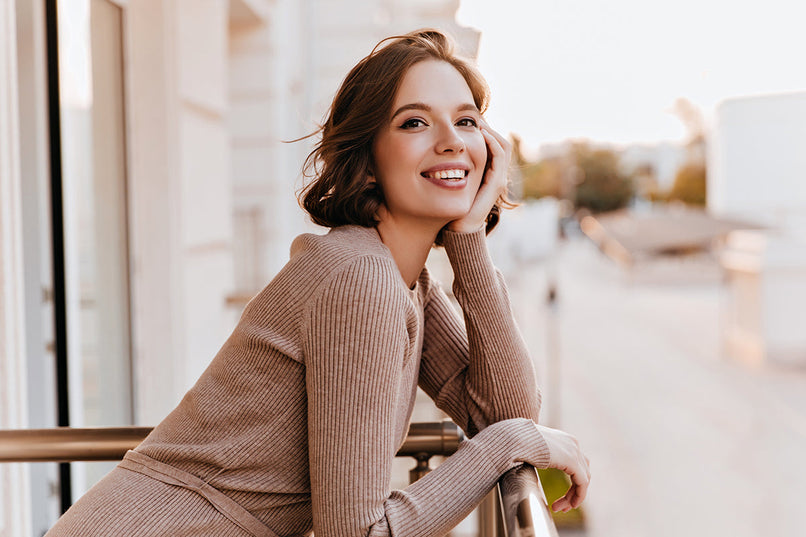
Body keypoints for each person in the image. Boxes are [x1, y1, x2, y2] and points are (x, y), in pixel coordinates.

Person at [45, 29, 589, 537]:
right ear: (369, 160)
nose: (451, 142)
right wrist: (509, 445)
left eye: (467, 121)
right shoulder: (360, 280)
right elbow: (359, 531)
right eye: (414, 123)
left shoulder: (402, 278)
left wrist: (470, 238)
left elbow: (505, 409)